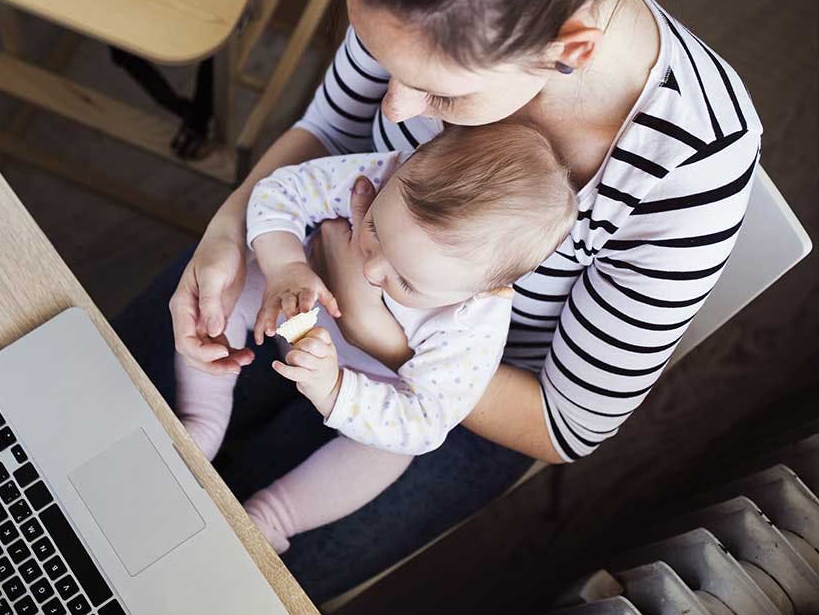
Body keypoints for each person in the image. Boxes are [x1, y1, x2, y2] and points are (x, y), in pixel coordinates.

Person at [113, 0, 760, 600]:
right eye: (381, 58)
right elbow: (332, 129)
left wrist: (385, 341)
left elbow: (566, 422)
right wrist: (227, 231)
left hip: (463, 396)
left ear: (568, 48)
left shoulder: (693, 161)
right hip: (307, 255)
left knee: (211, 581)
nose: (396, 107)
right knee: (108, 425)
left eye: (441, 94)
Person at [174, 123, 576, 553]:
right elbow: (280, 191)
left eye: (405, 280)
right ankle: (202, 419)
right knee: (230, 289)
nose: (370, 270)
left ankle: (273, 517)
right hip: (295, 300)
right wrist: (285, 266)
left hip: (372, 381)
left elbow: (424, 420)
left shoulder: (475, 323)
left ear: (485, 290)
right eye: (376, 231)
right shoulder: (385, 174)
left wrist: (335, 389)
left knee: (390, 452)